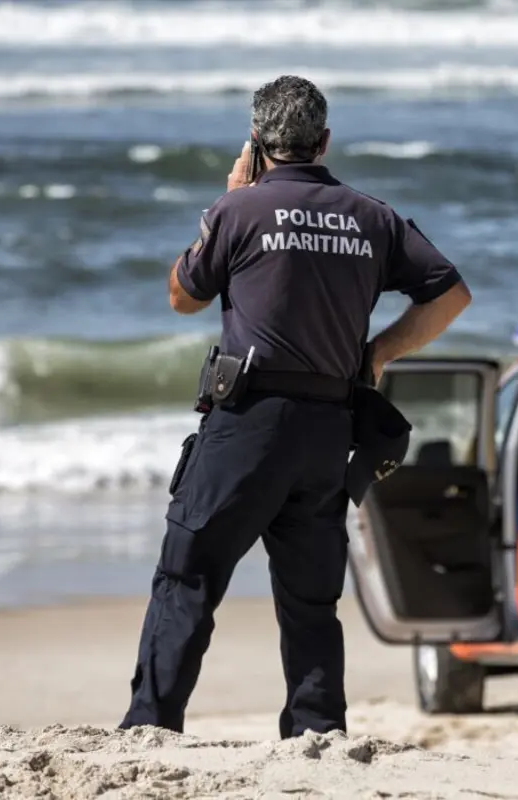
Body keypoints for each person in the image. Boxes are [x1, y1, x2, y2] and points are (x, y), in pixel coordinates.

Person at [118, 75, 472, 738]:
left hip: (246, 424)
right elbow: (451, 297)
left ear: (256, 143)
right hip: (327, 429)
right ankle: (315, 732)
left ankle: (151, 724)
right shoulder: (373, 216)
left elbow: (182, 296)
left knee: (187, 575)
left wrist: (228, 200)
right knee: (311, 600)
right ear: (325, 141)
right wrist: (379, 353)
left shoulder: (239, 211)